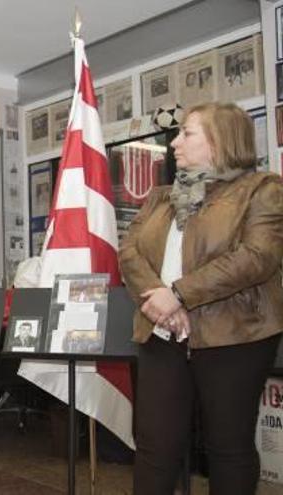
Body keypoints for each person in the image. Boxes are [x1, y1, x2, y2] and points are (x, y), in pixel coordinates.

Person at [119, 102, 283, 495]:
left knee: (228, 449)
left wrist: (179, 294)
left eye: (186, 134)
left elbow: (257, 257)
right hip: (162, 333)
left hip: (235, 335)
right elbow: (129, 253)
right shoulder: (161, 196)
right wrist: (160, 305)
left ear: (219, 140)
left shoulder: (263, 189)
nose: (175, 143)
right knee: (155, 447)